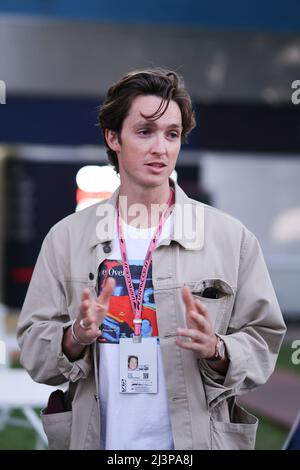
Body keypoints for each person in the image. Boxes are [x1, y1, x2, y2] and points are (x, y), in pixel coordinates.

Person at [17, 68, 286, 450]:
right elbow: (32, 348)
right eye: (145, 131)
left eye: (172, 134)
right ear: (113, 138)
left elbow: (264, 340)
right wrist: (74, 336)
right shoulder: (67, 239)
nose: (160, 147)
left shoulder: (232, 239)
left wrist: (217, 350)